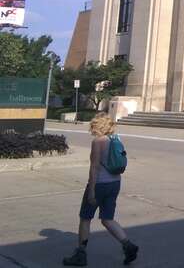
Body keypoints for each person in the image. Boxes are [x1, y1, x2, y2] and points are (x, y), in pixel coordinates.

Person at [63, 113, 138, 266]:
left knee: (85, 217)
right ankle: (128, 245)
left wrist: (91, 189)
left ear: (97, 126)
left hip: (100, 184)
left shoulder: (98, 142)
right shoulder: (116, 139)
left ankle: (80, 254)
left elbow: (95, 167)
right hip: (115, 183)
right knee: (107, 219)